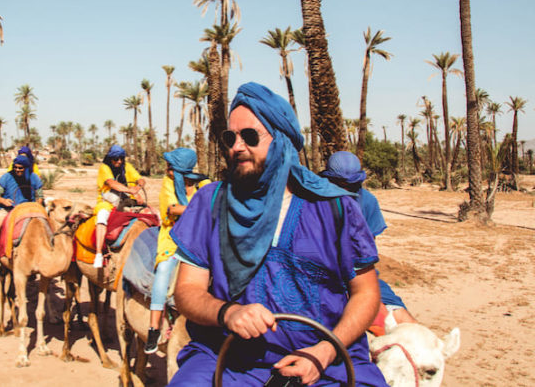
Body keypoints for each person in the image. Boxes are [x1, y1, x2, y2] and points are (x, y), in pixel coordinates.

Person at [169, 82, 387, 386]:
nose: (237, 147)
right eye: (230, 137)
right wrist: (227, 313)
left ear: (282, 140)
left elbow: (366, 292)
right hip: (228, 359)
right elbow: (187, 291)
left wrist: (325, 351)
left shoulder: (335, 207)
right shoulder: (210, 202)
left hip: (326, 363)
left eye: (249, 136)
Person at [320, 151, 418, 325]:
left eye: (351, 185)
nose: (345, 190)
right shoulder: (312, 201)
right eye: (339, 185)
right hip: (320, 276)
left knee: (404, 321)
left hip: (357, 275)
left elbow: (366, 252)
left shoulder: (367, 201)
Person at [144, 148, 209, 354]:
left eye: (170, 166)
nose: (167, 169)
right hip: (173, 239)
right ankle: (154, 328)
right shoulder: (168, 183)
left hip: (199, 238)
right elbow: (172, 209)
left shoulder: (203, 183)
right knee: (163, 272)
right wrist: (203, 209)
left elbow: (214, 198)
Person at [0, 154, 44, 274]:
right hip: (8, 208)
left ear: (26, 168)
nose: (17, 170)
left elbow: (40, 196)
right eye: (15, 167)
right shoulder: (6, 177)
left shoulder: (34, 178)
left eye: (20, 168)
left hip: (28, 209)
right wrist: (3, 201)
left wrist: (37, 206)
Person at [93, 144, 146, 268]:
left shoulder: (126, 167)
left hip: (126, 199)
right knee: (102, 218)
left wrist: (138, 187)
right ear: (110, 159)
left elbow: (140, 179)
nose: (119, 161)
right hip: (107, 201)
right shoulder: (104, 168)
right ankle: (99, 253)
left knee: (150, 213)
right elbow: (111, 183)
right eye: (116, 159)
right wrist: (130, 190)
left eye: (121, 158)